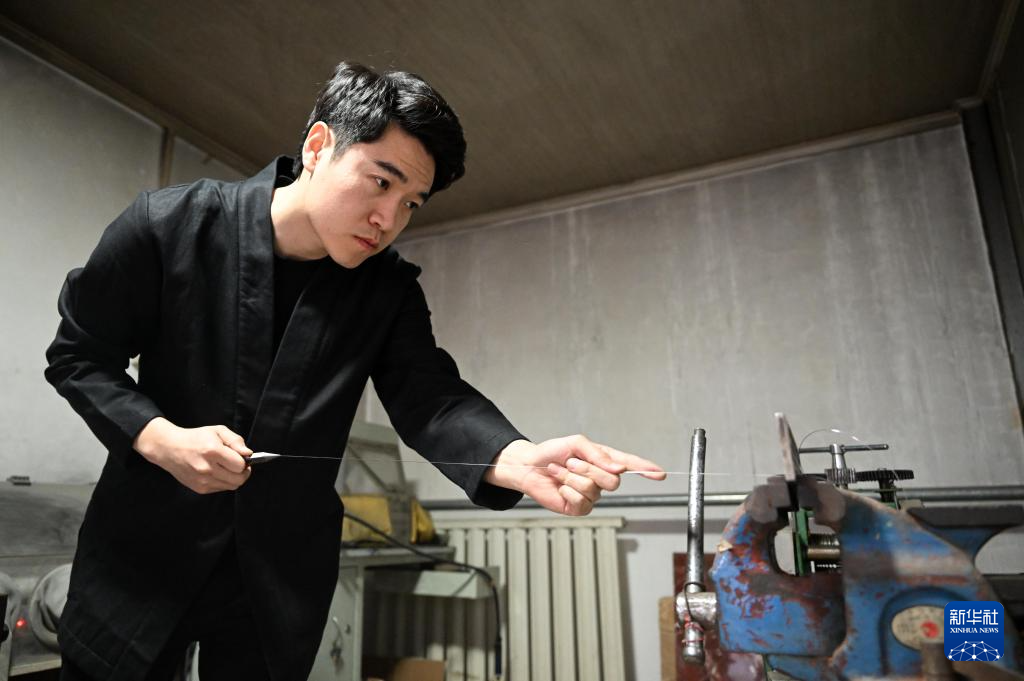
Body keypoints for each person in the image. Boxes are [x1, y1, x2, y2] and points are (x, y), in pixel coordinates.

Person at [45, 61, 666, 681]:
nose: (388, 219)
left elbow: (430, 396)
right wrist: (159, 439)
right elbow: (78, 354)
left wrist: (513, 455)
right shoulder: (169, 225)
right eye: (380, 182)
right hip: (144, 549)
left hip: (277, 570)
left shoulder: (387, 290)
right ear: (318, 146)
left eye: (411, 203)